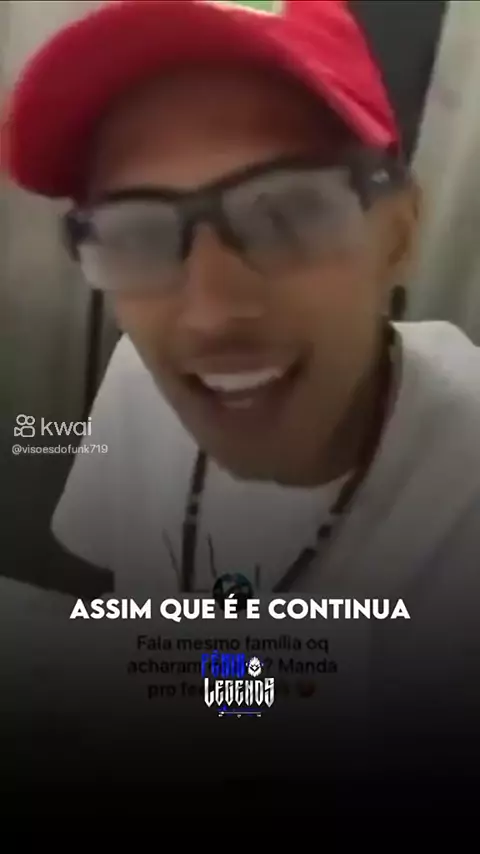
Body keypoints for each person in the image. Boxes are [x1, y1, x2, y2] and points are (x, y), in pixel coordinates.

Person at [3, 0, 480, 799]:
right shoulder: (138, 379)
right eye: (139, 232)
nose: (210, 315)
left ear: (397, 235)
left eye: (287, 214)